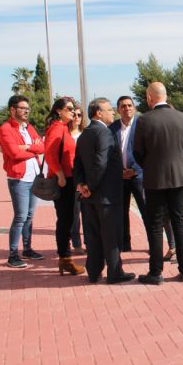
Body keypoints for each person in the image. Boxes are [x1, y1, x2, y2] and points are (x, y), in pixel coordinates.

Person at [133, 82, 183, 285]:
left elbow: (137, 153)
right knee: (179, 222)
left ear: (150, 98)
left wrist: (151, 165)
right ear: (165, 96)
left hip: (155, 180)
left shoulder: (144, 120)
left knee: (156, 225)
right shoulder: (182, 117)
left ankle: (156, 273)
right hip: (179, 178)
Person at [73, 98, 135, 284]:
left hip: (89, 198)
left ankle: (93, 272)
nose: (112, 113)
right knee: (112, 236)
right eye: (109, 110)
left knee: (93, 237)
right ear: (98, 113)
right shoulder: (105, 133)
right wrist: (89, 186)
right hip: (106, 196)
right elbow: (101, 162)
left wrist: (82, 185)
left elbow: (77, 164)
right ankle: (115, 273)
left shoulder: (85, 133)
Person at [0, 95, 45, 268]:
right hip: (19, 179)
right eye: (23, 108)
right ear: (12, 110)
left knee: (30, 216)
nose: (27, 111)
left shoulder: (28, 127)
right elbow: (14, 153)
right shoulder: (5, 129)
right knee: (20, 217)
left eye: (28, 109)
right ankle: (12, 255)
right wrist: (33, 150)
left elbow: (42, 147)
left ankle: (27, 249)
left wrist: (28, 147)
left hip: (34, 178)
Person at [45, 97, 85, 276]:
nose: (72, 111)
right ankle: (65, 258)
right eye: (69, 108)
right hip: (64, 181)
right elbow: (50, 154)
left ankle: (65, 258)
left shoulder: (63, 128)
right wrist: (60, 175)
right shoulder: (57, 128)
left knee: (67, 219)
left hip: (69, 179)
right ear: (58, 111)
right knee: (65, 220)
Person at [109, 96, 149, 252]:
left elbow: (148, 152)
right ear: (118, 110)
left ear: (135, 108)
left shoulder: (143, 126)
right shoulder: (111, 129)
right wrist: (119, 171)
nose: (127, 108)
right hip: (120, 178)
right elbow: (109, 154)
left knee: (146, 212)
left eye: (129, 105)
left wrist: (136, 169)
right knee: (121, 213)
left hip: (139, 176)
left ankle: (153, 244)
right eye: (123, 106)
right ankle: (125, 244)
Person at [69, 103, 87, 255]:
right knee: (74, 214)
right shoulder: (65, 134)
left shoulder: (85, 134)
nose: (76, 117)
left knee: (88, 213)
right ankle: (76, 244)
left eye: (79, 115)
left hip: (86, 179)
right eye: (73, 114)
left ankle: (90, 242)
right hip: (70, 179)